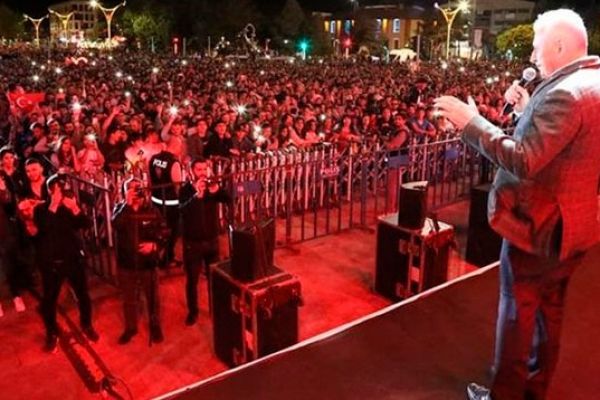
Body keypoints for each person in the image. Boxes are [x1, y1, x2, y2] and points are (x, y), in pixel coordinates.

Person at [434, 9, 600, 400]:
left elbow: (525, 160)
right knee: (550, 312)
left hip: (539, 226)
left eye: (537, 47)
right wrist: (529, 110)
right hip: (576, 227)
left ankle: (505, 394)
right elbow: (568, 144)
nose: (532, 56)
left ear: (558, 45)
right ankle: (536, 388)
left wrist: (471, 122)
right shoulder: (591, 84)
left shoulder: (565, 93)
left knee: (517, 314)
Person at [29, 174, 99, 352]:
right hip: (52, 263)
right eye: (59, 189)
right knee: (49, 301)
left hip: (73, 259)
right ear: (50, 191)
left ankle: (87, 324)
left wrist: (75, 208)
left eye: (64, 188)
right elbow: (44, 229)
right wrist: (53, 205)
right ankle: (52, 333)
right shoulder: (41, 209)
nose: (63, 192)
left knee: (83, 295)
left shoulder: (69, 207)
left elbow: (85, 224)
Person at [112, 178, 169, 344]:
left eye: (138, 189)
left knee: (152, 298)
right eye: (131, 189)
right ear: (125, 193)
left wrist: (155, 246)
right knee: (129, 299)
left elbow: (164, 232)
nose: (135, 192)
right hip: (127, 264)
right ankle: (130, 328)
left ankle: (155, 325)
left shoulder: (152, 210)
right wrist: (127, 205)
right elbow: (116, 224)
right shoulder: (120, 209)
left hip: (147, 264)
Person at [179, 158, 230, 326]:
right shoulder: (185, 189)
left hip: (211, 241)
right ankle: (193, 311)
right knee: (192, 280)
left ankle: (215, 309)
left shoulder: (211, 186)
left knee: (213, 279)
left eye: (204, 169)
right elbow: (182, 210)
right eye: (198, 169)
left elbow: (229, 198)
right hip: (193, 243)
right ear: (192, 171)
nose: (202, 173)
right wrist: (197, 196)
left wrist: (218, 190)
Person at [149, 137, 184, 267]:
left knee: (159, 230)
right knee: (172, 231)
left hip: (156, 200)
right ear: (175, 146)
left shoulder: (153, 158)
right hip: (171, 202)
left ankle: (157, 255)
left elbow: (150, 178)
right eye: (180, 146)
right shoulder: (174, 162)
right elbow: (177, 184)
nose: (181, 149)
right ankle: (167, 258)